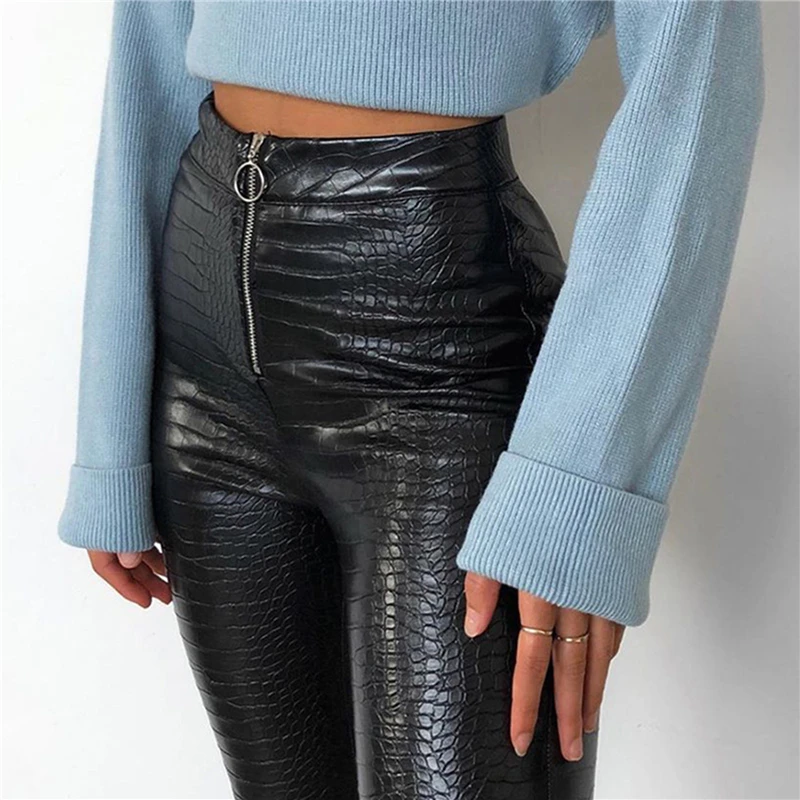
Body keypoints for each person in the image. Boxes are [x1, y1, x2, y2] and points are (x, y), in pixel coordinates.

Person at [56, 2, 764, 798]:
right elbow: (152, 44)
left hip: (442, 363)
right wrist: (110, 433)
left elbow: (694, 90)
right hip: (205, 342)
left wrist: (581, 479)